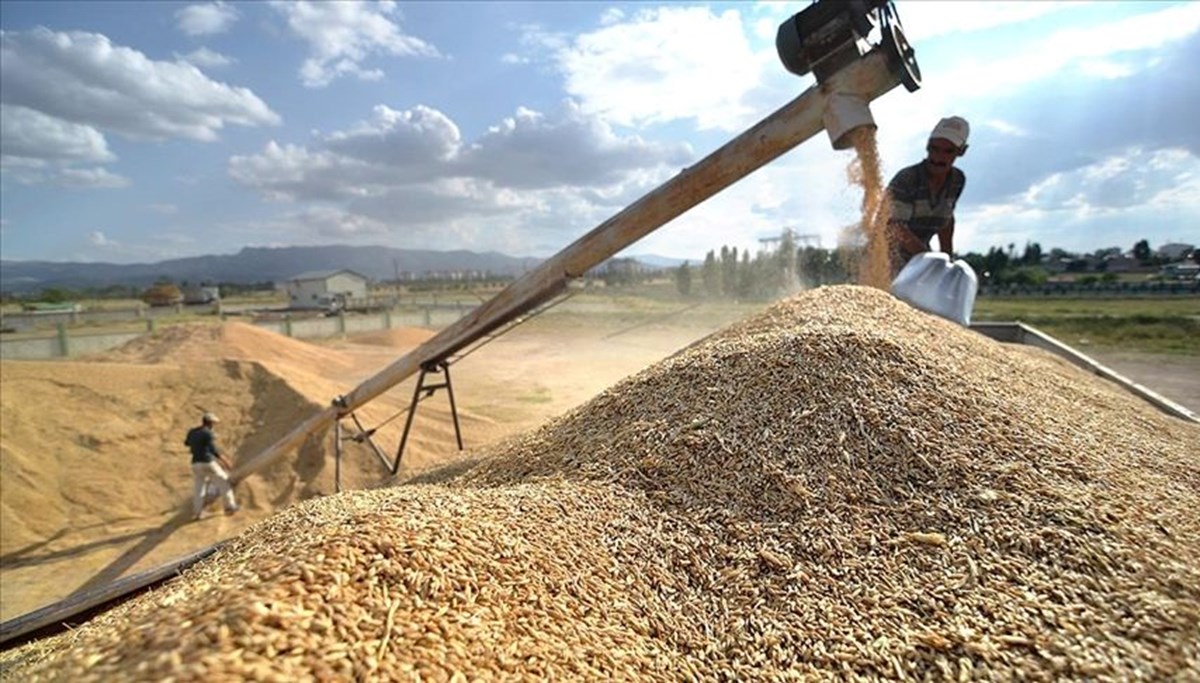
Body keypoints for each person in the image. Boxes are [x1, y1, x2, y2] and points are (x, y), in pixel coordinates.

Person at [886, 116, 969, 274]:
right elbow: (895, 227)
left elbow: (946, 220)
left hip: (919, 259)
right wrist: (930, 261)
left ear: (962, 151)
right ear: (927, 146)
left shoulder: (957, 180)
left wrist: (947, 261)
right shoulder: (907, 179)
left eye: (948, 151)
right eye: (934, 149)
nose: (938, 158)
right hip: (886, 258)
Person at [184, 412, 239, 521]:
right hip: (207, 462)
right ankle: (230, 507)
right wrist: (224, 460)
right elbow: (213, 450)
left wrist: (197, 444)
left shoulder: (192, 432)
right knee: (224, 482)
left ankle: (198, 513)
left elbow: (186, 443)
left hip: (195, 463)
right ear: (210, 423)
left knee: (199, 489)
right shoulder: (207, 433)